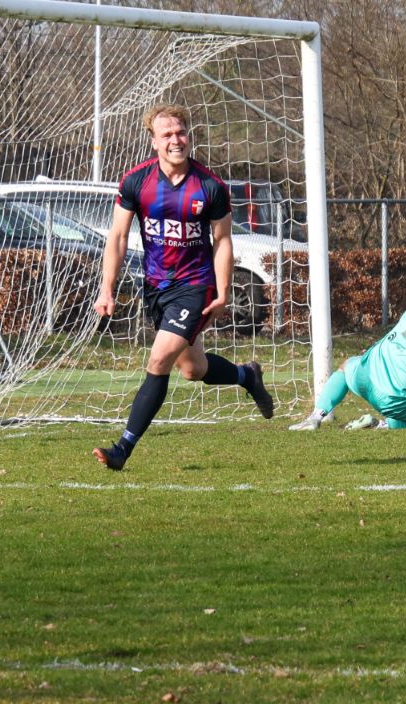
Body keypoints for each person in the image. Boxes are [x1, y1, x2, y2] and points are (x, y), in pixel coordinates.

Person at [92, 103, 274, 472]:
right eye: (167, 134)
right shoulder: (136, 182)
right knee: (193, 369)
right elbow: (118, 236)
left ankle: (122, 450)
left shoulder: (209, 185)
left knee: (158, 360)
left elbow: (223, 241)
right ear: (154, 141)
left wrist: (222, 291)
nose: (176, 140)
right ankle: (246, 376)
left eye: (181, 132)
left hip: (195, 286)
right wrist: (106, 290)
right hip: (157, 287)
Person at [289, 190, 406, 432]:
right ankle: (384, 424)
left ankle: (315, 417)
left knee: (347, 366)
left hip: (365, 374)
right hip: (392, 397)